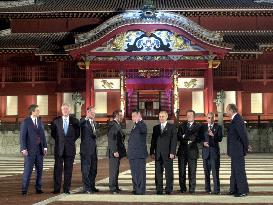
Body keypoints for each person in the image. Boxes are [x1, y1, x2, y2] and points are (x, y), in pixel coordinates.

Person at [51, 103, 80, 194]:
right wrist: (61, 141)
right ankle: (56, 189)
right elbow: (53, 134)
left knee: (68, 170)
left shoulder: (75, 121)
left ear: (69, 110)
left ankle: (66, 189)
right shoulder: (56, 121)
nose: (65, 110)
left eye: (67, 109)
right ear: (61, 110)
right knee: (57, 170)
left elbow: (77, 134)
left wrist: (69, 141)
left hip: (70, 149)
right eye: (63, 109)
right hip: (59, 149)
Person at [20, 104, 47, 195]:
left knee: (39, 171)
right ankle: (24, 189)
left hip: (40, 151)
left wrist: (45, 147)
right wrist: (23, 148)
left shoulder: (40, 122)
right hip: (29, 152)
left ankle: (38, 188)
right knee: (27, 171)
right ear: (33, 111)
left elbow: (43, 136)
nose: (39, 112)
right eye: (37, 110)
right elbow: (22, 137)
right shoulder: (26, 122)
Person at [150, 111, 177, 195]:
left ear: (166, 117)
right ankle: (159, 189)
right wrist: (152, 152)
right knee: (158, 172)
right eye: (160, 116)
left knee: (169, 172)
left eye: (163, 116)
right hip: (158, 153)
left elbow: (174, 141)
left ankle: (169, 189)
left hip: (168, 153)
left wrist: (172, 152)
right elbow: (153, 141)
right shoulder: (156, 128)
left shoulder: (172, 127)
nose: (161, 118)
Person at [226, 104, 249, 197]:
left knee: (239, 171)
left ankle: (242, 191)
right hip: (235, 150)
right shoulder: (235, 119)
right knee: (234, 171)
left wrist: (246, 146)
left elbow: (243, 134)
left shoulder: (238, 119)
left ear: (231, 110)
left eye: (227, 110)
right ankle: (234, 189)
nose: (226, 112)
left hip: (237, 150)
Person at [177, 109, 201, 194]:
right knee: (181, 171)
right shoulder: (181, 126)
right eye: (188, 115)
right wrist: (188, 138)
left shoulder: (198, 126)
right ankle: (182, 188)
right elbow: (179, 137)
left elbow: (197, 137)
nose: (189, 116)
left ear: (194, 116)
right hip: (182, 152)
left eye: (191, 115)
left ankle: (192, 188)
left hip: (192, 151)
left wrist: (185, 136)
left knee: (192, 171)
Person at [201, 112, 223, 194]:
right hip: (205, 153)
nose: (210, 119)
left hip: (214, 153)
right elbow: (199, 138)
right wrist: (203, 143)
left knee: (215, 173)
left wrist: (213, 135)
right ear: (206, 118)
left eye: (212, 117)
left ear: (214, 118)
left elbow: (220, 139)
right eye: (209, 117)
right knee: (206, 173)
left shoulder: (218, 127)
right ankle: (207, 189)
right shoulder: (203, 127)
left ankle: (217, 190)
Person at [80, 106, 99, 194]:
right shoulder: (83, 121)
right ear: (88, 112)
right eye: (92, 112)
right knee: (85, 169)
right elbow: (79, 125)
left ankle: (92, 186)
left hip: (93, 149)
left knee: (93, 169)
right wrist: (86, 118)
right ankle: (86, 187)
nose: (94, 114)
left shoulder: (94, 123)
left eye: (94, 113)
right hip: (85, 150)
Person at [128, 109, 148, 195]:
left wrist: (138, 121)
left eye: (134, 116)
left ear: (139, 116)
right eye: (132, 116)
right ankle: (136, 188)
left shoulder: (142, 124)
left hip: (139, 154)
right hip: (133, 154)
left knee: (140, 173)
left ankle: (140, 190)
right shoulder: (135, 125)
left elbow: (143, 131)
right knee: (134, 172)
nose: (132, 118)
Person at [107, 109, 126, 194]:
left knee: (116, 170)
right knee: (113, 171)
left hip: (117, 151)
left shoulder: (117, 124)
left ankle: (116, 186)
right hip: (114, 152)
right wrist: (114, 150)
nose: (122, 117)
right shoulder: (113, 125)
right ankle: (112, 188)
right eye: (120, 115)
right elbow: (112, 139)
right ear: (116, 116)